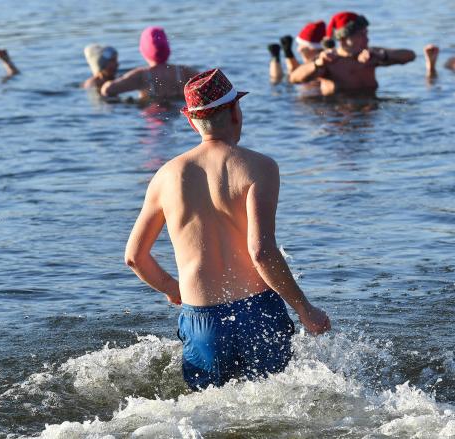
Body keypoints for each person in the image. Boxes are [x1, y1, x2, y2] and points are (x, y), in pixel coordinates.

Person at [124, 68, 331, 390]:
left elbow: (135, 257)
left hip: (202, 319)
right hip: (258, 312)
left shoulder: (166, 176)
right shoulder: (258, 166)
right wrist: (304, 308)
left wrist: (173, 289)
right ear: (236, 111)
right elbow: (261, 252)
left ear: (192, 121)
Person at [289, 11, 415, 95]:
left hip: (369, 111)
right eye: (361, 35)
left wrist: (382, 55)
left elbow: (410, 55)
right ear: (343, 39)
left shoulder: (371, 55)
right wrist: (317, 64)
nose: (367, 39)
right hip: (339, 117)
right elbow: (294, 78)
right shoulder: (329, 60)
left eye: (366, 34)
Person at [101, 27, 199, 101]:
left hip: (152, 114)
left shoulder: (141, 75)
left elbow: (108, 90)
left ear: (144, 51)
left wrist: (105, 80)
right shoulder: (184, 71)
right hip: (178, 111)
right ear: (167, 48)